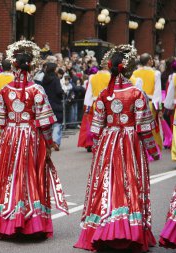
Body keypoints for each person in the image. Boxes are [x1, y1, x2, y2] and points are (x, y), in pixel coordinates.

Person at [74, 44, 159, 252]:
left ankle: (103, 228)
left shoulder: (104, 93)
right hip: (130, 143)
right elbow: (144, 128)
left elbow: (95, 127)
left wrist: (98, 148)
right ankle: (129, 230)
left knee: (107, 183)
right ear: (128, 69)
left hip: (108, 142)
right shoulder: (136, 93)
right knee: (129, 183)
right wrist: (153, 151)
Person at [0, 40, 68, 239]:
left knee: (9, 177)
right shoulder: (37, 91)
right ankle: (32, 222)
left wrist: (9, 135)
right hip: (31, 137)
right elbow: (45, 123)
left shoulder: (5, 90)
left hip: (10, 139)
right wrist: (48, 144)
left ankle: (7, 221)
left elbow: (0, 121)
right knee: (30, 176)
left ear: (13, 66)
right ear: (32, 66)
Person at [132, 53, 163, 157]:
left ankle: (140, 148)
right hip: (150, 102)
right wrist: (159, 108)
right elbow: (158, 92)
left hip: (137, 103)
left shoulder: (135, 73)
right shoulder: (156, 73)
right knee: (152, 127)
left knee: (139, 127)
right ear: (149, 61)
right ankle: (154, 149)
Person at [42, 62, 65, 150]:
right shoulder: (55, 79)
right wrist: (62, 93)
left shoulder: (44, 79)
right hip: (56, 103)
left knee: (49, 124)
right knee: (57, 124)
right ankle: (55, 141)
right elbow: (58, 91)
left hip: (47, 103)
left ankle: (48, 142)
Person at [77, 66, 99, 152]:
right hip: (95, 103)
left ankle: (89, 143)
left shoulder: (90, 80)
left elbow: (88, 94)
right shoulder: (94, 79)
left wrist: (87, 106)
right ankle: (92, 142)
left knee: (88, 124)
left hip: (90, 103)